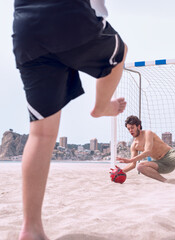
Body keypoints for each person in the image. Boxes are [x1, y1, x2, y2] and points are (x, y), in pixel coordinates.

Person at [12, 1, 127, 239]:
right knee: (119, 52)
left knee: (40, 133)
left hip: (27, 28)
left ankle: (30, 228)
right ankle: (102, 106)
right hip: (70, 17)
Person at [117, 116, 175, 184]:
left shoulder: (148, 133)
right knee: (140, 167)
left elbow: (148, 151)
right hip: (160, 163)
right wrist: (120, 172)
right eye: (129, 129)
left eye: (132, 128)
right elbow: (132, 165)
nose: (130, 131)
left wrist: (129, 160)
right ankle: (167, 182)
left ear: (138, 126)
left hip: (170, 155)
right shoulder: (134, 145)